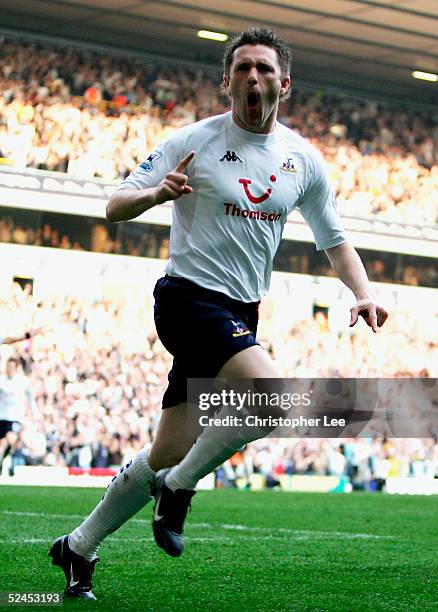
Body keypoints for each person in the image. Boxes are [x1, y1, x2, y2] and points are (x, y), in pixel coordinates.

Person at [49, 26, 388, 600]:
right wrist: (158, 195)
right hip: (186, 299)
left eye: (263, 68)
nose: (252, 78)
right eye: (242, 69)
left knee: (166, 450)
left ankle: (77, 546)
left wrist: (362, 291)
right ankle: (177, 489)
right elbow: (114, 205)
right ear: (226, 81)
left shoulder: (303, 159)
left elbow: (333, 237)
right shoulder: (194, 140)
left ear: (285, 82)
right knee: (273, 396)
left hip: (240, 312)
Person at [0, 357, 38, 477]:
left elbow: (30, 397)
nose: (9, 369)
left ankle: (4, 460)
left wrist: (35, 413)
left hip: (15, 418)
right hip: (1, 418)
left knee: (9, 440)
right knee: (3, 444)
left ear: (16, 368)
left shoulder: (22, 381)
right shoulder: (2, 381)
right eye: (8, 366)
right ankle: (4, 460)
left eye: (11, 367)